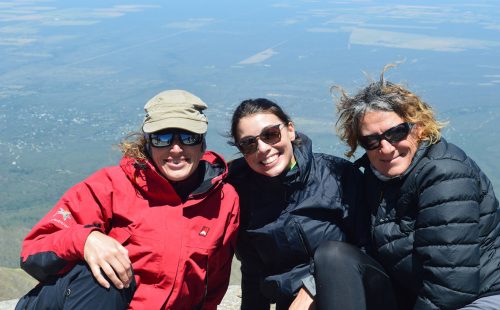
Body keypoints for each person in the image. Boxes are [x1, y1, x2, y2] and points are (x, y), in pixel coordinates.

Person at [16, 89, 240, 309]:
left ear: (202, 144)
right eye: (162, 138)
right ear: (148, 143)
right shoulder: (111, 186)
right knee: (105, 272)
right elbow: (32, 251)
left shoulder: (223, 200)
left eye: (188, 137)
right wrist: (85, 240)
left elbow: (214, 285)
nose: (176, 149)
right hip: (81, 301)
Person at [334, 66, 500, 310]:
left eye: (396, 133)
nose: (386, 148)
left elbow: (451, 286)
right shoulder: (374, 178)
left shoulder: (444, 175)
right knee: (333, 257)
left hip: (479, 296)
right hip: (416, 293)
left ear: (419, 127)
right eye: (371, 140)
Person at [227, 98, 373, 309]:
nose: (263, 149)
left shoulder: (337, 175)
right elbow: (253, 272)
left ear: (290, 130)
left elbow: (367, 247)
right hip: (291, 301)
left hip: (356, 292)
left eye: (270, 135)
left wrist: (311, 290)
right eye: (249, 143)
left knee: (332, 254)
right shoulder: (243, 195)